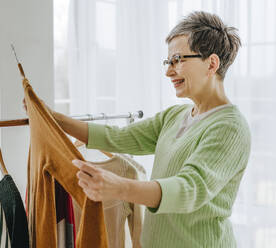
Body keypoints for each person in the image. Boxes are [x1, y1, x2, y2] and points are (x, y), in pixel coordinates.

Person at [23, 11, 251, 248]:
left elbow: (188, 189)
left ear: (211, 63)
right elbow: (117, 137)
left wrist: (119, 187)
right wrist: (54, 117)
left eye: (178, 60)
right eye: (168, 61)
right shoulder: (175, 116)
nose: (169, 71)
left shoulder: (230, 127)